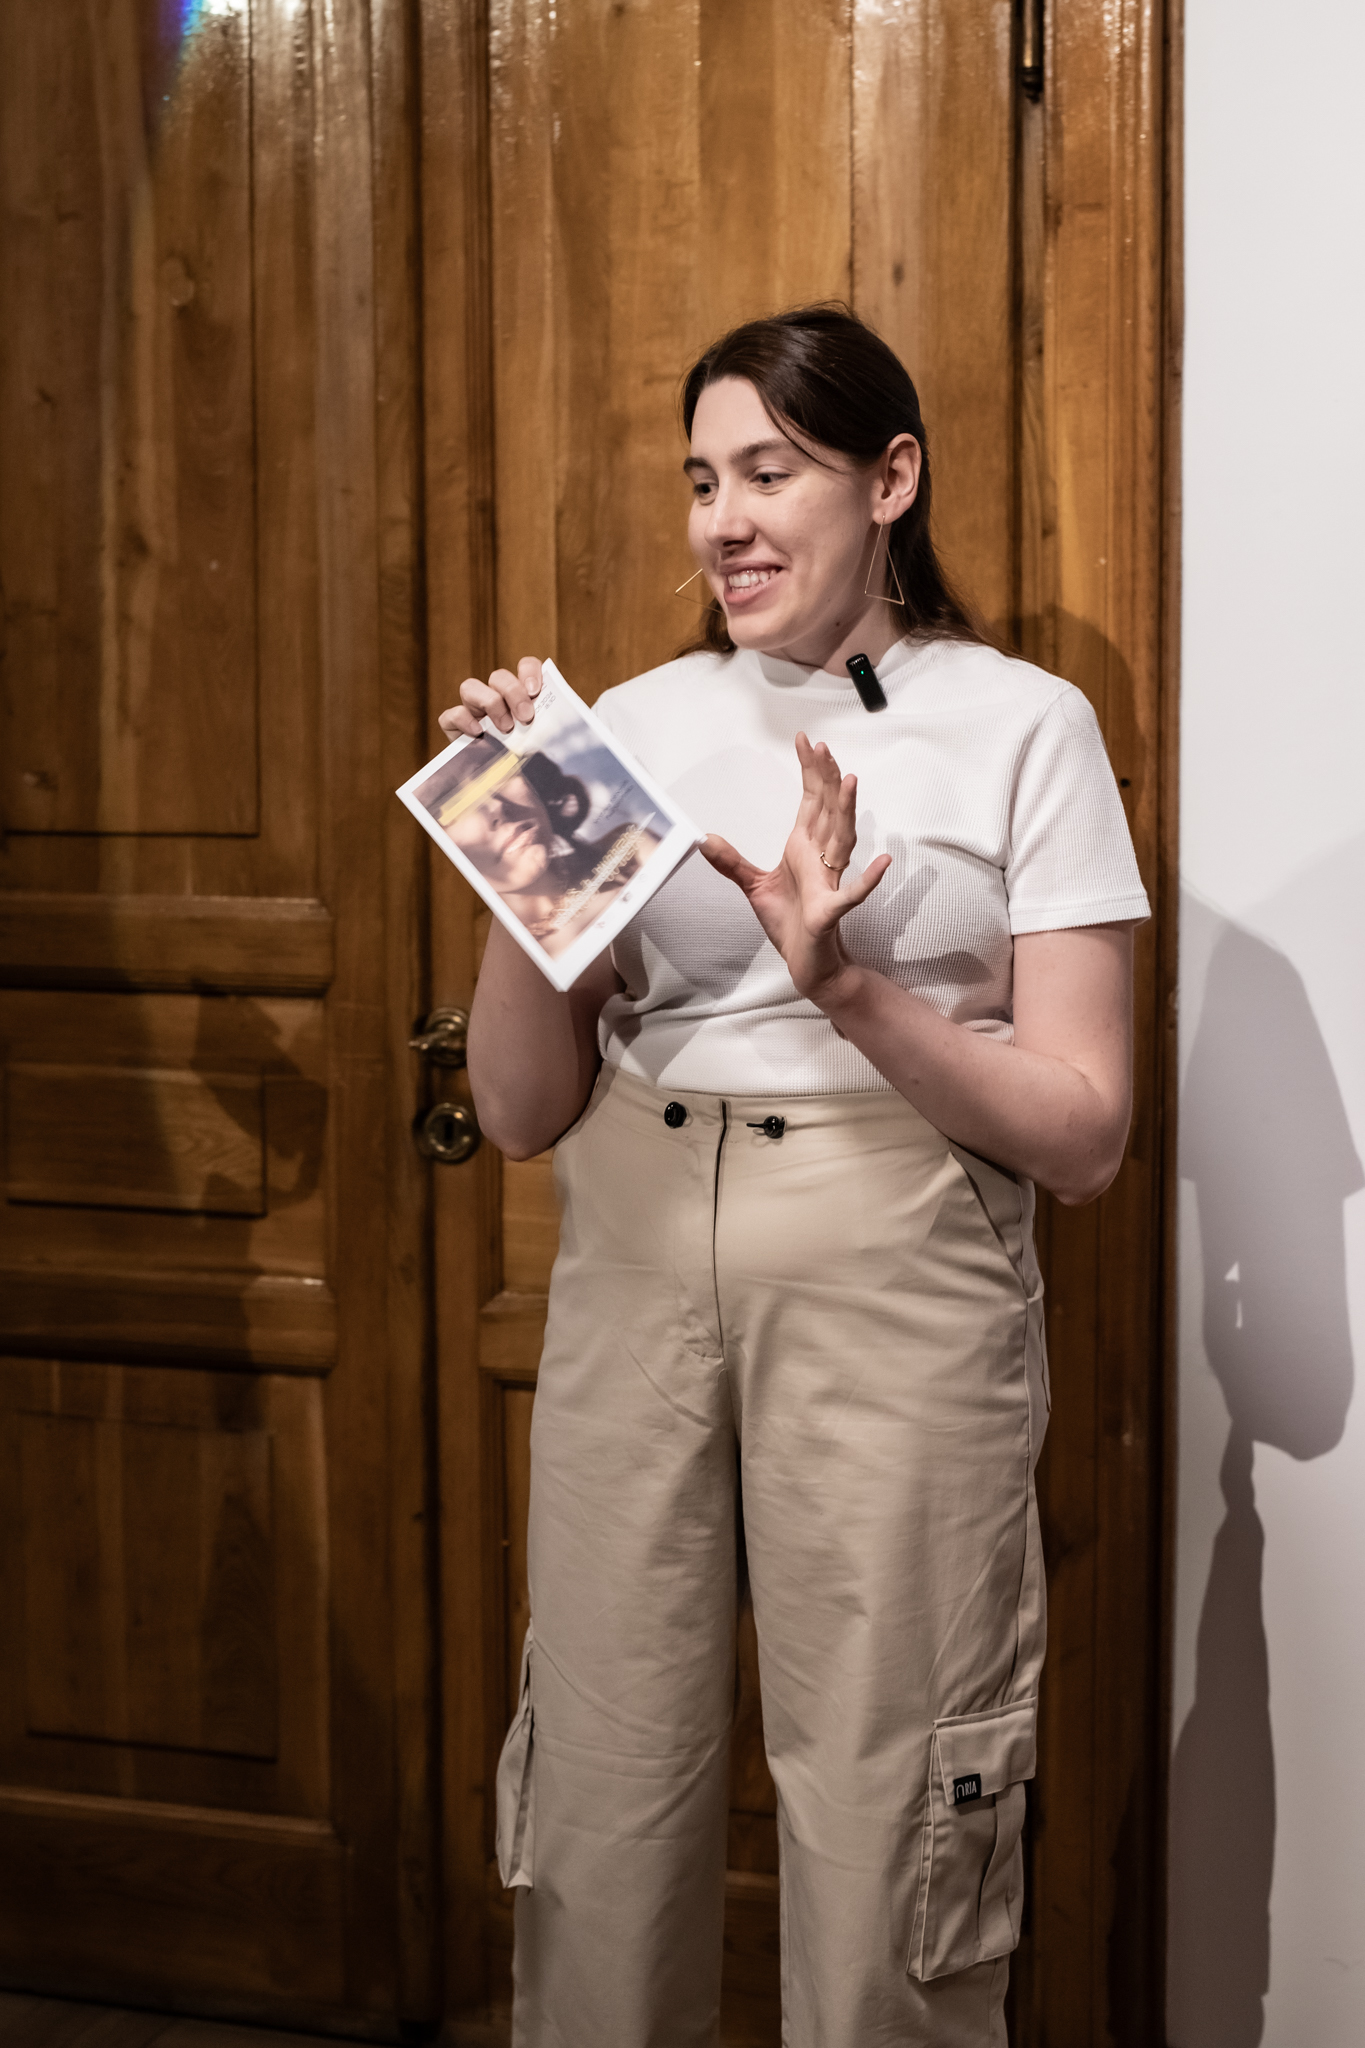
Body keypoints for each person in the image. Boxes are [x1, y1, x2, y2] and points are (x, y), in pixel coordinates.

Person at [439, 304, 1150, 2048]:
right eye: (702, 481)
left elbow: (1085, 1130)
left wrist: (844, 986)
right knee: (603, 1774)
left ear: (889, 479)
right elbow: (519, 1109)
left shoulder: (1023, 724)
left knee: (897, 1793)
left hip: (897, 1275)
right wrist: (527, 838)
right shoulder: (630, 725)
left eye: (770, 472)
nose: (725, 521)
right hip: (631, 1259)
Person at [423, 734, 661, 959]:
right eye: (450, 805)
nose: (495, 807)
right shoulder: (525, 965)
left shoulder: (635, 850)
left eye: (494, 772)